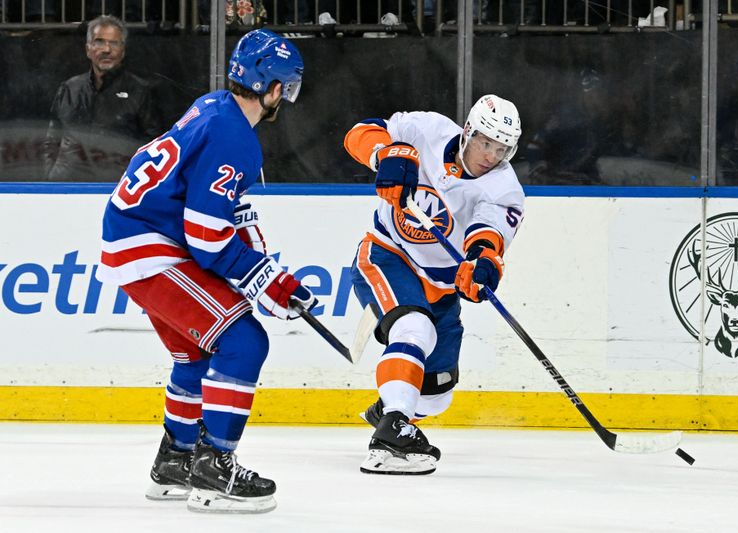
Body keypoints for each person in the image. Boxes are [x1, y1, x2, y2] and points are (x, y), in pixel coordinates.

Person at [97, 29, 313, 513]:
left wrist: (267, 273)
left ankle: (175, 460)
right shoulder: (236, 137)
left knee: (195, 351)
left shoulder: (214, 106)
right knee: (243, 341)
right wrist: (266, 281)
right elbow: (207, 235)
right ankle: (215, 467)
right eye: (288, 88)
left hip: (134, 238)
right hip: (151, 246)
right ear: (274, 88)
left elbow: (225, 215)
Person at [343, 94, 525, 475]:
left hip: (440, 287)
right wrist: (385, 155)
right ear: (469, 132)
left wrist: (481, 266)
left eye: (501, 149)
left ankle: (390, 407)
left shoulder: (504, 189)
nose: (491, 155)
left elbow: (487, 238)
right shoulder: (425, 129)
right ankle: (391, 434)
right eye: (485, 143)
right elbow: (359, 133)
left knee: (438, 392)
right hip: (387, 254)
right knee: (415, 328)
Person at [44, 15, 161, 181]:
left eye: (114, 43)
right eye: (99, 42)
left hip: (115, 188)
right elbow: (51, 140)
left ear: (123, 51)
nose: (106, 49)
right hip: (66, 188)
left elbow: (153, 144)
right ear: (88, 49)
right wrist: (50, 179)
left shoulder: (140, 91)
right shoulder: (69, 88)